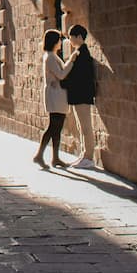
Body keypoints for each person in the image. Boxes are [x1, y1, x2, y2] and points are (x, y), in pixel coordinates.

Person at [34, 29, 76, 167]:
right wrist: (71, 60)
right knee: (53, 126)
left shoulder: (52, 56)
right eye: (59, 39)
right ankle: (39, 155)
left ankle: (55, 158)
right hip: (55, 95)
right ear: (54, 41)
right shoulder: (50, 57)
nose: (60, 42)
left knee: (57, 128)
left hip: (58, 95)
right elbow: (61, 74)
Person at [64, 23, 97, 168]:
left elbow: (80, 76)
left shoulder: (82, 54)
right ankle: (84, 154)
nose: (70, 40)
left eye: (71, 37)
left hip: (82, 94)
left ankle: (89, 157)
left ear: (79, 37)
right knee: (81, 125)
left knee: (85, 126)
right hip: (78, 95)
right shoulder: (78, 52)